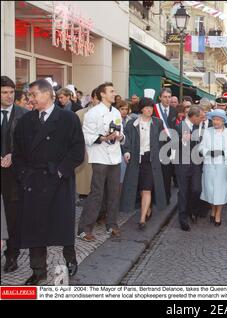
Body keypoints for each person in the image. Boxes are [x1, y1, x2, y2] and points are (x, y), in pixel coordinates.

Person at [13, 78, 85, 284]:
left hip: (59, 181)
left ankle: (70, 257)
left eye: (33, 95)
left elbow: (78, 151)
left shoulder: (68, 118)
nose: (30, 99)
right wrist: (24, 175)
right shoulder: (26, 121)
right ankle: (38, 270)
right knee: (35, 228)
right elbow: (17, 153)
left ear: (47, 94)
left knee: (62, 224)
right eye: (29, 95)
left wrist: (62, 172)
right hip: (33, 182)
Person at [78, 82, 125, 241]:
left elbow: (121, 133)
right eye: (111, 91)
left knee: (114, 192)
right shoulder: (93, 113)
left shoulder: (117, 113)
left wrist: (120, 137)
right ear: (102, 94)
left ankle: (111, 224)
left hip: (115, 156)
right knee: (96, 193)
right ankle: (84, 229)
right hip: (99, 157)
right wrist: (103, 138)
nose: (114, 93)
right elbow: (86, 135)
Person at [120, 97, 167, 229]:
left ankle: (142, 219)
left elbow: (163, 140)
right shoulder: (131, 124)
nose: (149, 110)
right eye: (146, 107)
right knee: (140, 188)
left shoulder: (158, 123)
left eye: (151, 108)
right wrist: (126, 152)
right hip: (135, 159)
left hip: (150, 160)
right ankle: (147, 207)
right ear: (141, 109)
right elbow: (126, 140)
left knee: (147, 188)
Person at [1, 76, 28, 273]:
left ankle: (12, 256)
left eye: (11, 92)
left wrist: (14, 155)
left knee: (13, 216)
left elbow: (29, 145)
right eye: (4, 92)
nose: (9, 96)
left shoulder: (24, 115)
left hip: (14, 174)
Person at [199, 109, 227, 226]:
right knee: (210, 190)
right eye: (214, 119)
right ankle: (212, 209)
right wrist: (208, 152)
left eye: (218, 120)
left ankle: (218, 214)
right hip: (209, 165)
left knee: (221, 191)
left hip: (223, 166)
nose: (215, 122)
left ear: (223, 121)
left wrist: (224, 152)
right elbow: (200, 147)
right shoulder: (207, 132)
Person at [175, 106, 204, 231]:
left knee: (196, 189)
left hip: (196, 163)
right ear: (194, 117)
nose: (202, 120)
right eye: (200, 118)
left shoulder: (198, 127)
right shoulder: (178, 126)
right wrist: (182, 140)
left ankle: (192, 210)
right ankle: (183, 218)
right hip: (182, 163)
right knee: (183, 191)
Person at [153, 88, 177, 205]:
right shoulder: (154, 110)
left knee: (167, 175)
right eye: (165, 97)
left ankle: (166, 198)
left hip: (169, 149)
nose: (168, 99)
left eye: (169, 97)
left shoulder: (174, 110)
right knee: (156, 175)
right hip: (156, 147)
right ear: (160, 98)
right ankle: (156, 199)